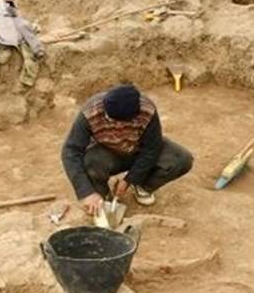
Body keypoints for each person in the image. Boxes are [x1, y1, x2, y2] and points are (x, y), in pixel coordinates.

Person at [61, 84, 193, 214]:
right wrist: (86, 192)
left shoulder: (147, 111)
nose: (113, 125)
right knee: (91, 162)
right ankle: (101, 196)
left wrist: (130, 180)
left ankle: (142, 186)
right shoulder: (90, 112)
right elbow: (70, 151)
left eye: (117, 122)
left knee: (182, 159)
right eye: (108, 118)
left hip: (137, 150)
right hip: (107, 153)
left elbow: (151, 149)